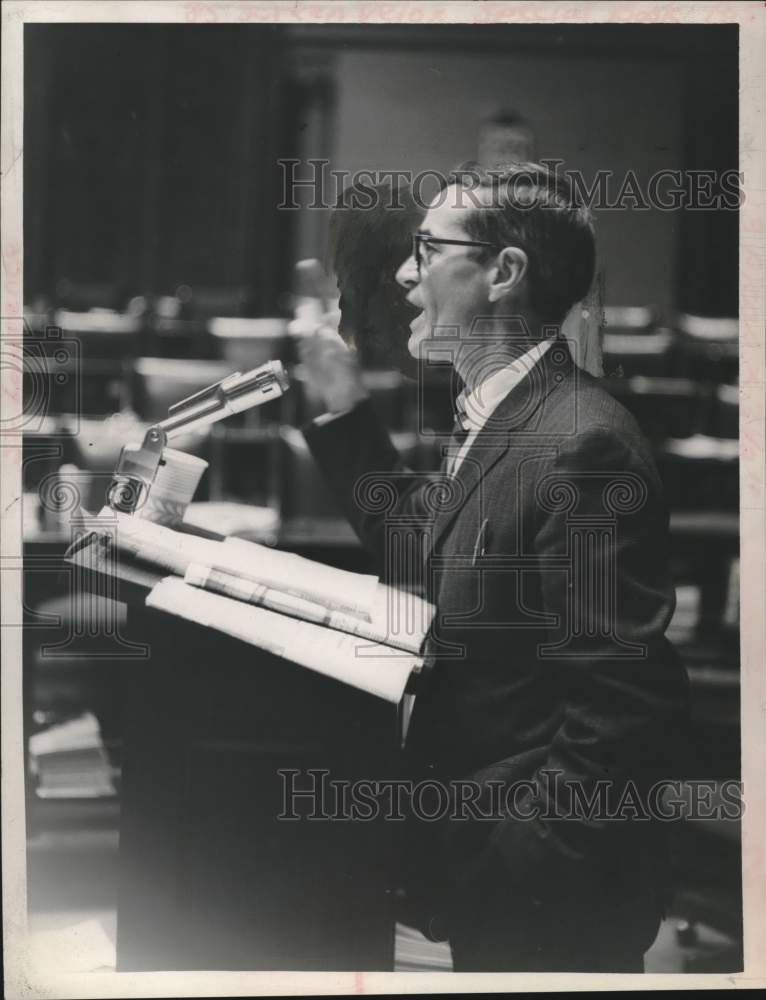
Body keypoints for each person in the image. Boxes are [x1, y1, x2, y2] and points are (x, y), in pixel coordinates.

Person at [300, 162, 690, 972]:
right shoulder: (510, 414)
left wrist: (512, 864)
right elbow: (423, 541)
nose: (404, 273)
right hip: (495, 888)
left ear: (505, 272)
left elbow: (620, 714)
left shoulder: (582, 442)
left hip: (544, 907)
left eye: (427, 249)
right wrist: (344, 410)